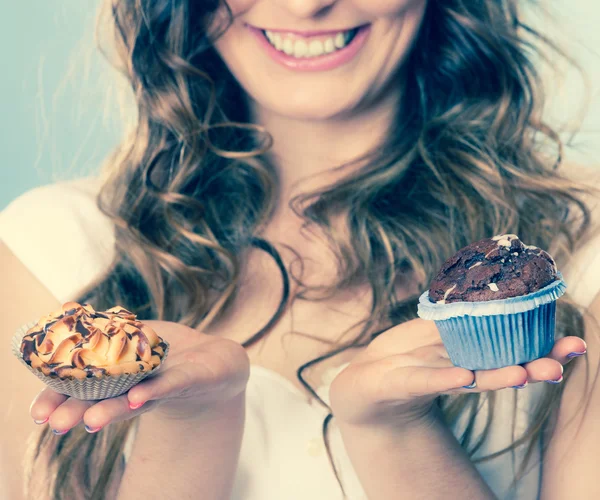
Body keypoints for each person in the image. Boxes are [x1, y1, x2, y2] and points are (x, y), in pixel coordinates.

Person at [1, 0, 600, 498]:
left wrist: (396, 432)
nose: (305, 4)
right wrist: (193, 421)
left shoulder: (586, 250)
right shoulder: (48, 250)